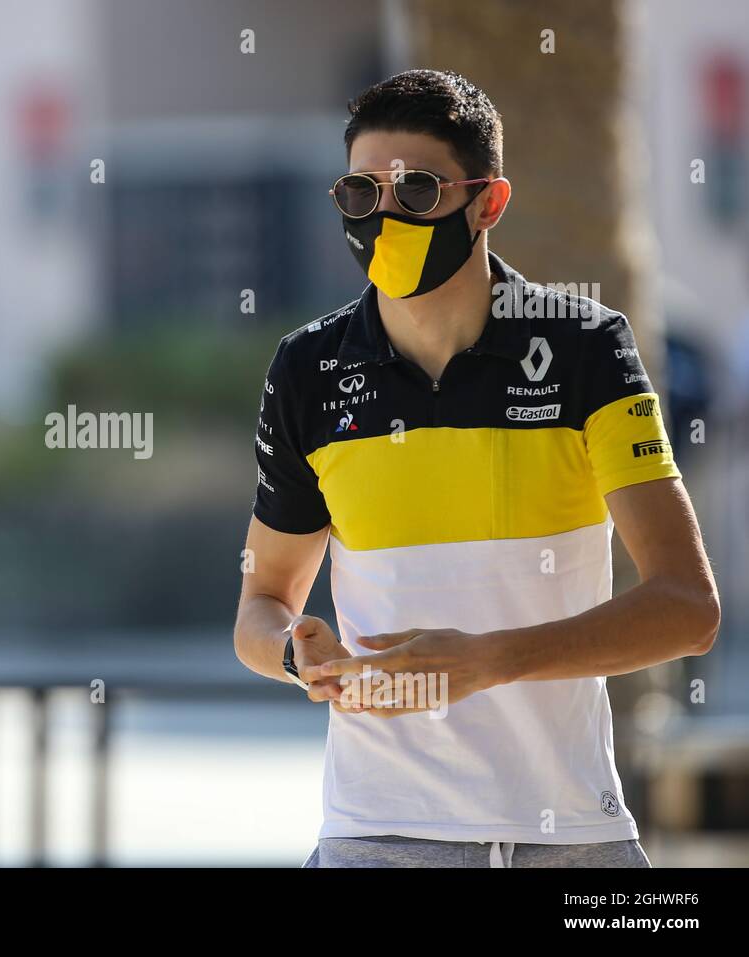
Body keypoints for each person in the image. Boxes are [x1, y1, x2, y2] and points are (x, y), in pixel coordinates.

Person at [234, 69, 720, 868]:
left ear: (487, 203)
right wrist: (294, 652)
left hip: (572, 835)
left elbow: (687, 609)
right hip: (374, 833)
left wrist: (490, 660)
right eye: (360, 194)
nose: (382, 216)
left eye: (416, 191)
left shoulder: (586, 346)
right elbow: (260, 604)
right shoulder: (307, 368)